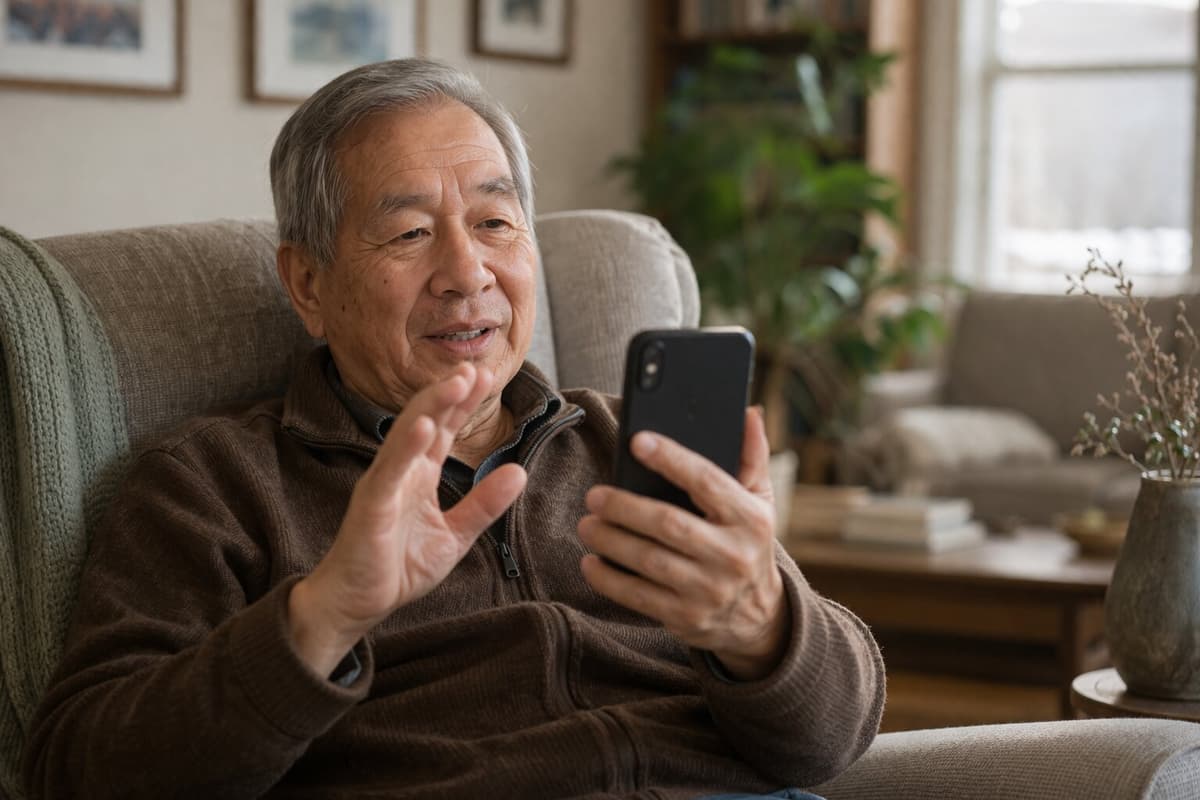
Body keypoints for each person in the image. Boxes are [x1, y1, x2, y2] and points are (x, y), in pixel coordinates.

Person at [23, 58, 884, 799]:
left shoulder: (631, 444)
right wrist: (322, 619)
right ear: (309, 285)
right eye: (408, 233)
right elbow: (80, 770)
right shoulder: (211, 482)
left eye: (495, 222)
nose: (467, 272)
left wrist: (764, 624)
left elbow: (832, 740)